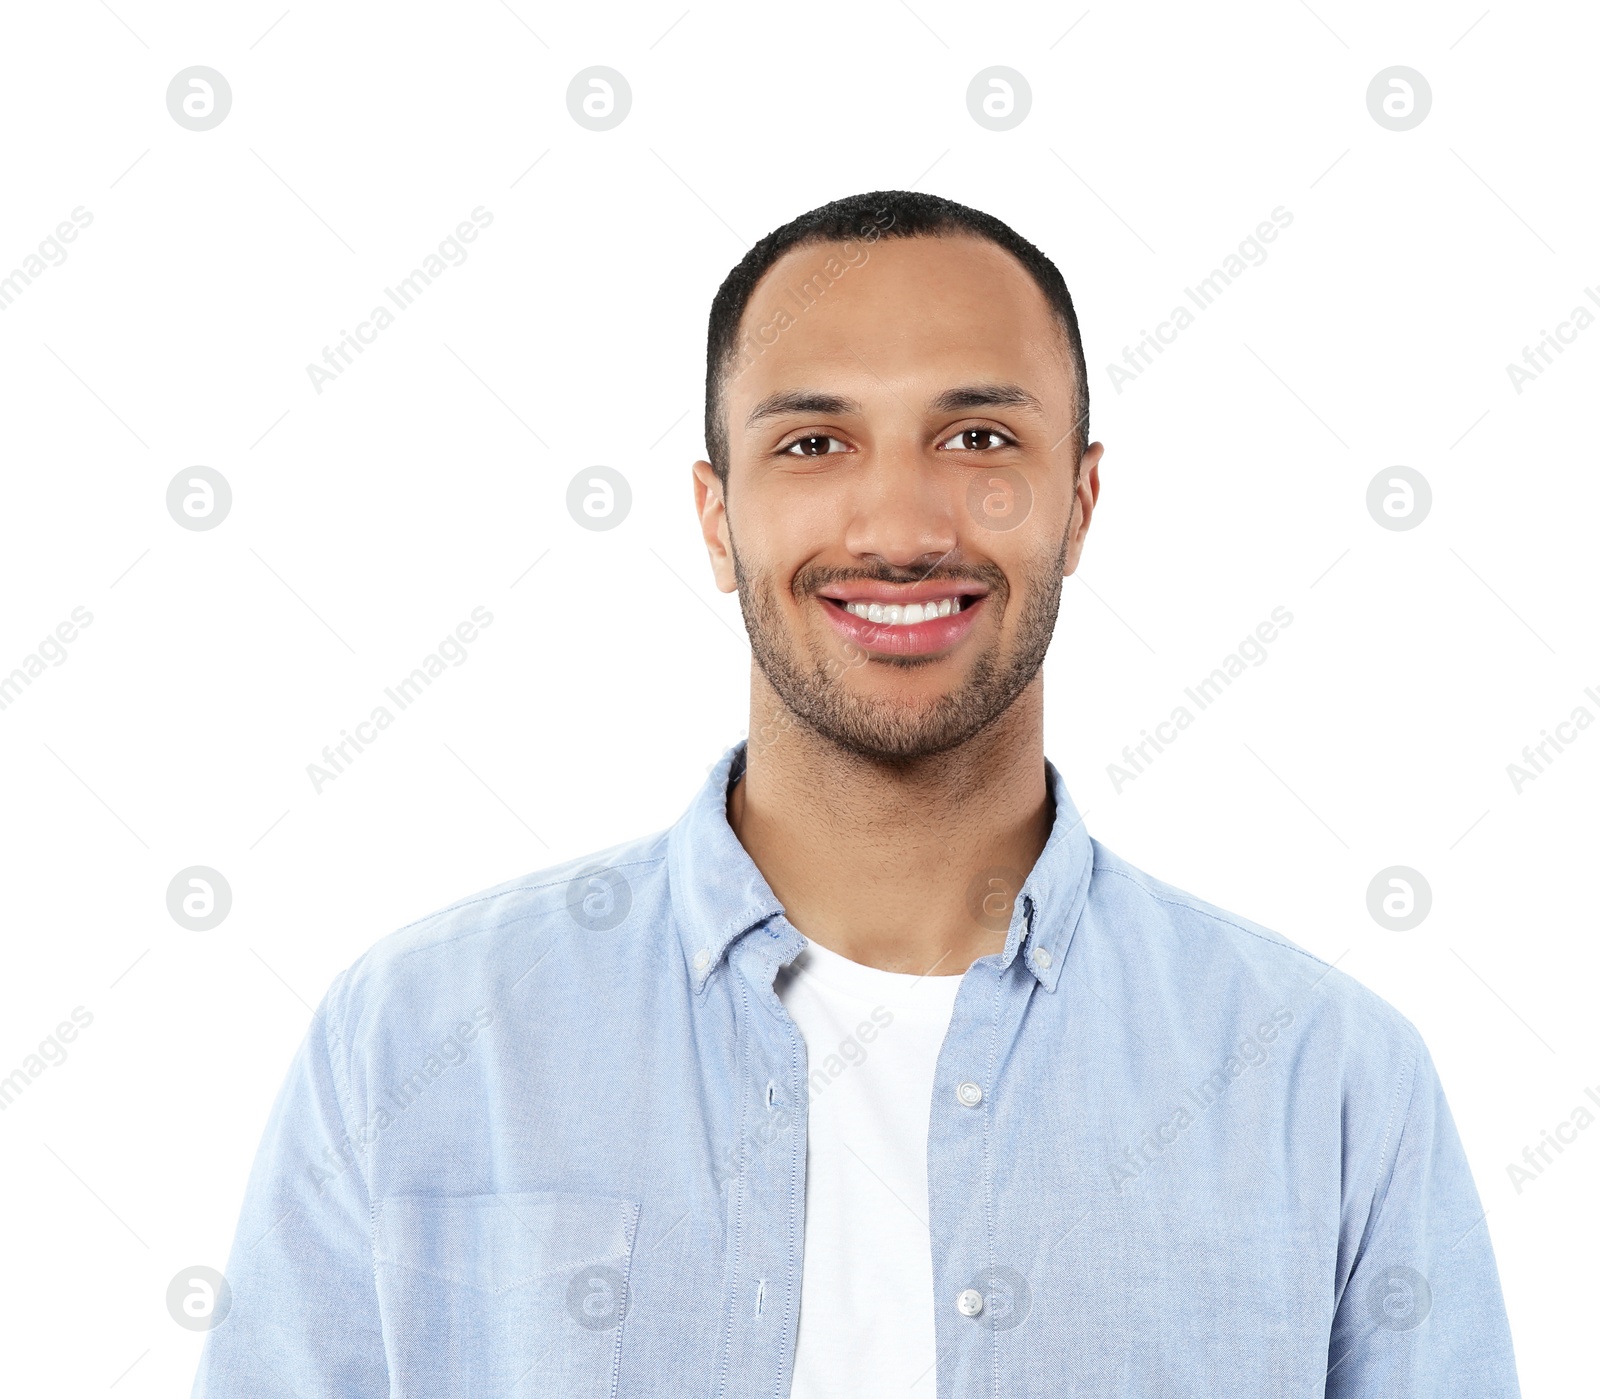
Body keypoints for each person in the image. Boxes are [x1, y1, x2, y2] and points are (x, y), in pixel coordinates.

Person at [192, 190, 1520, 1397]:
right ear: (717, 520)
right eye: (816, 442)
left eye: (979, 435)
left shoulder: (1329, 1081)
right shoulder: (421, 1039)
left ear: (1080, 500)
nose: (897, 527)